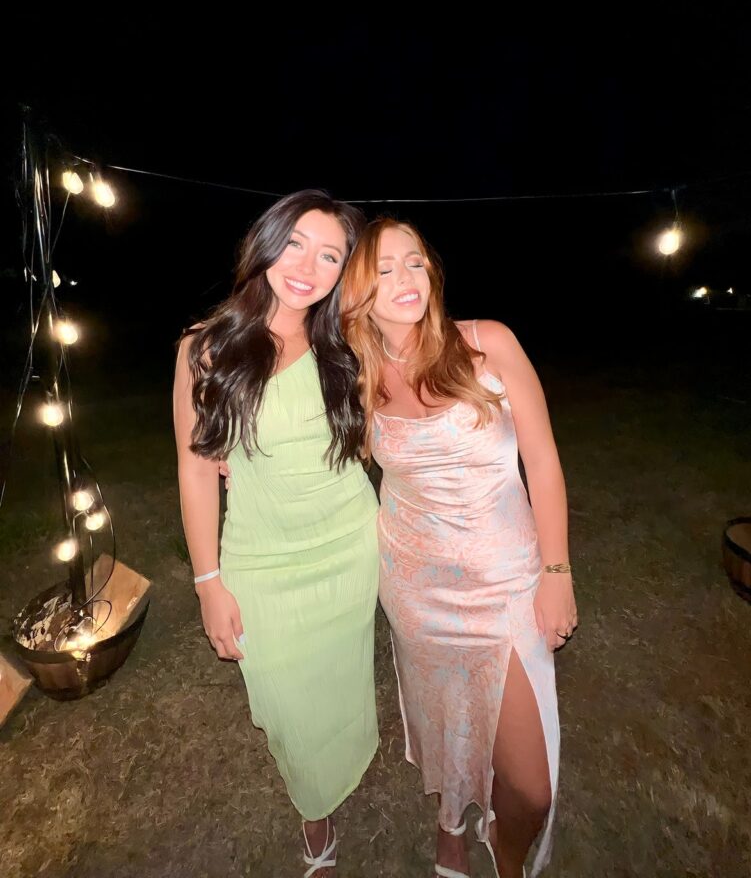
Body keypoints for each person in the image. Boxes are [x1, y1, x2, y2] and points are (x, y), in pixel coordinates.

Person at [340, 218, 577, 878]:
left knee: (532, 787)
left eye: (415, 262)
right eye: (384, 269)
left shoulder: (486, 342)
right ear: (357, 293)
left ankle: (505, 848)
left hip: (506, 582)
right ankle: (449, 821)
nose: (406, 279)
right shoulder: (355, 377)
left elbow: (543, 461)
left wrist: (557, 570)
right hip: (415, 586)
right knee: (445, 715)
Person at [173, 191, 380, 878]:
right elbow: (196, 469)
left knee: (342, 683)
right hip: (261, 560)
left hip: (350, 546)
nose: (307, 267)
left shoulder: (348, 341)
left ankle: (343, 767)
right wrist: (208, 584)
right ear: (265, 243)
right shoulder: (206, 348)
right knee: (285, 704)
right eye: (295, 244)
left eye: (330, 256)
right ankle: (314, 809)